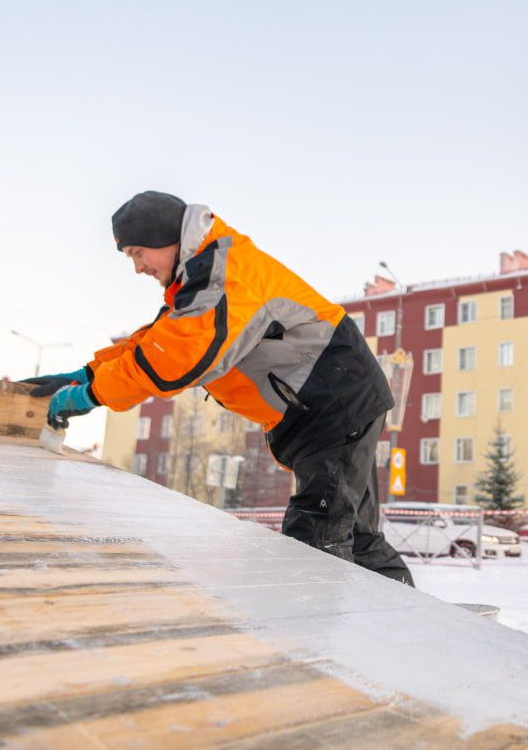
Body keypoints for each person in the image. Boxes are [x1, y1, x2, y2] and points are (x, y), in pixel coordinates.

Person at [26, 191, 413, 586]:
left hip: (333, 401)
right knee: (356, 536)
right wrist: (85, 375)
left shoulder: (221, 274)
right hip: (336, 400)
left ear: (166, 237)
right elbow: (154, 338)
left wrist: (91, 395)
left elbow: (171, 358)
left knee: (316, 541)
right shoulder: (201, 274)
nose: (138, 267)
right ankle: (403, 610)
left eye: (139, 253)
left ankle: (323, 623)